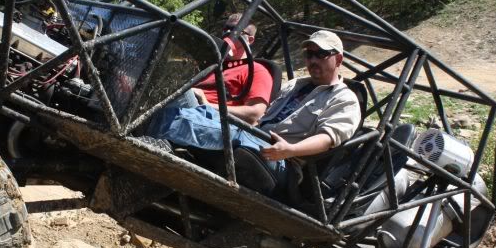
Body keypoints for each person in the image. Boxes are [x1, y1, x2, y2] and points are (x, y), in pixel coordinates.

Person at [147, 29, 361, 195]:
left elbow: (328, 138)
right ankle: (151, 126)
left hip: (282, 161)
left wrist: (291, 149)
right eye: (310, 54)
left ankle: (151, 130)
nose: (313, 60)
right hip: (256, 136)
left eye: (321, 54)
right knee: (208, 114)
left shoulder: (344, 99)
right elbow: (264, 117)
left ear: (338, 59)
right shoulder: (296, 84)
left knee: (234, 134)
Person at [187, 13, 275, 124]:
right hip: (189, 109)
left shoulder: (257, 70)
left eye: (234, 30)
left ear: (250, 40)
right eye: (226, 29)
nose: (228, 33)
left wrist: (208, 105)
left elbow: (255, 114)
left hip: (209, 119)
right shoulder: (213, 64)